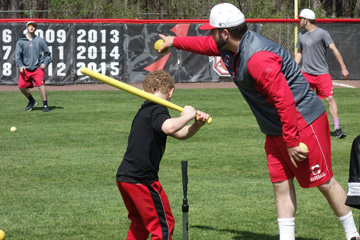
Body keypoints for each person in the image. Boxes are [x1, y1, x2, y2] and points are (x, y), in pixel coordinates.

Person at [158, 3, 359, 240]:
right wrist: (174, 42)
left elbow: (284, 101)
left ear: (225, 33)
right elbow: (204, 44)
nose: (209, 34)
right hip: (275, 127)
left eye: (213, 30)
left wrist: (292, 141)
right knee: (280, 184)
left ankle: (353, 235)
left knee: (323, 181)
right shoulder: (230, 45)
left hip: (303, 121)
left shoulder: (257, 58)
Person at [116, 70, 209, 240]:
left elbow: (180, 134)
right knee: (163, 226)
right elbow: (169, 127)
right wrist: (187, 115)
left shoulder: (146, 110)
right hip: (142, 179)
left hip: (125, 177)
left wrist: (197, 124)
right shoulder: (157, 109)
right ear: (171, 91)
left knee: (140, 224)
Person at [295, 9, 348, 139]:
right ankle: (300, 127)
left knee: (330, 99)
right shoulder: (301, 35)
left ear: (306, 20)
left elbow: (334, 49)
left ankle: (337, 128)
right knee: (300, 100)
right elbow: (299, 53)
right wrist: (293, 69)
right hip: (306, 73)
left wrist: (343, 67)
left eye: (300, 18)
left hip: (321, 73)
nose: (299, 21)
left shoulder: (323, 33)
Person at [15, 21, 52, 112]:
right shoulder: (21, 41)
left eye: (34, 26)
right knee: (21, 86)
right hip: (25, 69)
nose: (32, 27)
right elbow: (17, 56)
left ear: (35, 29)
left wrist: (45, 63)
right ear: (27, 28)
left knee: (41, 85)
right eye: (30, 26)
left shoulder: (40, 40)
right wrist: (20, 65)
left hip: (37, 68)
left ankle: (45, 105)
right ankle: (31, 101)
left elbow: (48, 54)